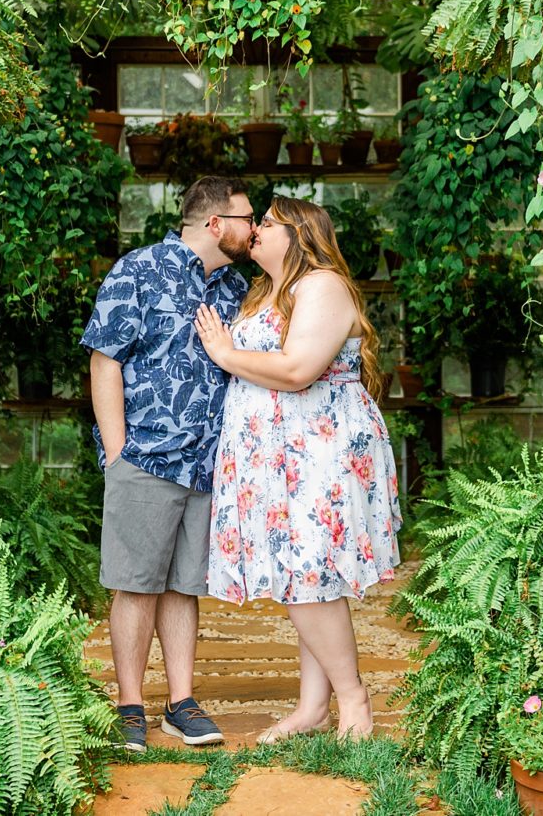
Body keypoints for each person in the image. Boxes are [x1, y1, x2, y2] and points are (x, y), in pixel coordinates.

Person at [192, 195, 402, 743]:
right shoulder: (271, 292)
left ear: (300, 233)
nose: (256, 229)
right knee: (301, 578)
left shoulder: (322, 285)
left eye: (267, 222)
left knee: (310, 576)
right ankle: (313, 707)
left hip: (319, 450)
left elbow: (297, 369)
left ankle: (353, 698)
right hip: (281, 456)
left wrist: (223, 353)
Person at [81, 175, 254, 752]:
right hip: (147, 457)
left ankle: (182, 703)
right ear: (214, 224)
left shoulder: (235, 285)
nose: (253, 229)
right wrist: (117, 452)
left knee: (185, 586)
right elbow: (104, 359)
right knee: (134, 586)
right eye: (246, 218)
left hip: (208, 464)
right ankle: (130, 704)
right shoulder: (139, 269)